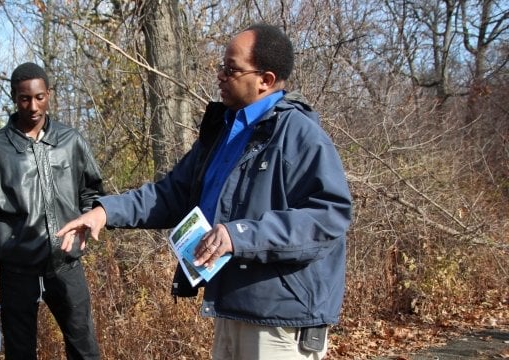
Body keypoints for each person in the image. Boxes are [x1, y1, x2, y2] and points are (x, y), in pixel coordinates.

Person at [57, 24, 352, 359]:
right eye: (220, 67)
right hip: (232, 307)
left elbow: (329, 218)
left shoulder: (298, 135)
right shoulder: (224, 132)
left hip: (282, 321)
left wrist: (239, 235)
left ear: (265, 80)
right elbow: (171, 193)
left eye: (231, 69)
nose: (220, 76)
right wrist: (105, 211)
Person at [0, 62, 104, 359]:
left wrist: (86, 222)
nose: (33, 105)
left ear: (48, 94)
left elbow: (92, 191)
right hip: (17, 273)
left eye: (39, 97)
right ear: (14, 98)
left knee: (85, 349)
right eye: (25, 98)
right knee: (20, 353)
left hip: (65, 266)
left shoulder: (70, 141)